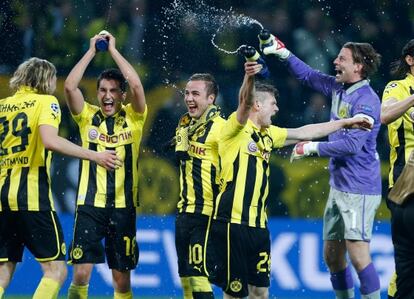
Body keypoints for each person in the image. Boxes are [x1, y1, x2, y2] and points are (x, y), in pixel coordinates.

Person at [206, 61, 374, 299]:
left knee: (260, 292)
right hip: (232, 224)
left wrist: (346, 122)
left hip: (258, 226)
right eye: (273, 104)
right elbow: (244, 101)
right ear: (257, 105)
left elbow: (306, 131)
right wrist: (249, 75)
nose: (276, 109)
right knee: (234, 293)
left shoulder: (269, 135)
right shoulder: (235, 129)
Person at [262, 33, 382, 299]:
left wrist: (311, 147)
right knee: (332, 257)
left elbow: (352, 146)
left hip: (359, 189)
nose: (335, 61)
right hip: (339, 185)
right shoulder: (339, 87)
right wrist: (282, 53)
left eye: (342, 58)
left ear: (358, 67)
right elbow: (308, 76)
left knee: (359, 256)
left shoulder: (367, 101)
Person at [0, 57, 119, 299]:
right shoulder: (46, 102)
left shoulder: (2, 106)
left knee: (3, 268)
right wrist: (94, 155)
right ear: (46, 79)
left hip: (2, 199)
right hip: (32, 197)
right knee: (55, 270)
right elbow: (50, 141)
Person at [64, 31, 146, 299]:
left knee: (121, 281)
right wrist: (91, 51)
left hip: (123, 208)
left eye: (113, 90)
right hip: (89, 206)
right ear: (97, 93)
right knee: (80, 274)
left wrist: (113, 50)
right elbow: (69, 87)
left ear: (121, 95)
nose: (107, 96)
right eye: (102, 90)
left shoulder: (134, 118)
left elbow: (136, 86)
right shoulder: (87, 116)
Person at [173, 73, 225, 298]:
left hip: (206, 214)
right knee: (185, 276)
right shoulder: (185, 124)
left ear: (211, 98)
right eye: (187, 93)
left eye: (196, 93)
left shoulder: (223, 128)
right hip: (185, 211)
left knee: (198, 275)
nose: (189, 98)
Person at [381, 39, 414, 299]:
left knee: (407, 263)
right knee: (407, 259)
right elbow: (385, 115)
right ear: (410, 60)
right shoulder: (398, 87)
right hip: (405, 183)